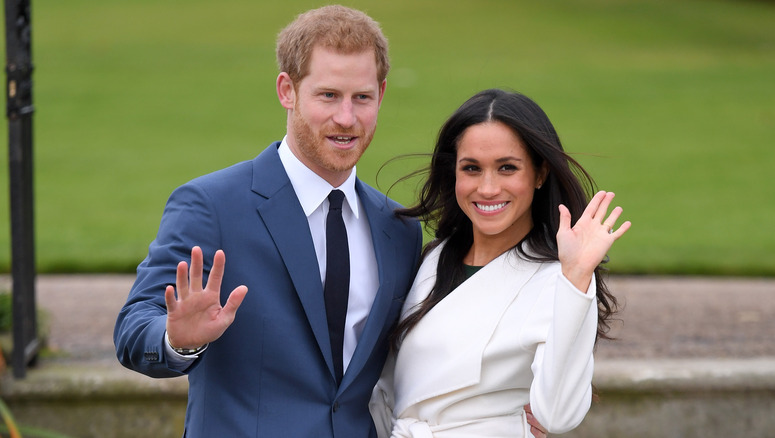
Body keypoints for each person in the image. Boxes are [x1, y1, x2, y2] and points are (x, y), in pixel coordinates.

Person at [113, 6, 424, 437]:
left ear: (382, 94)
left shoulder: (400, 228)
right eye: (328, 95)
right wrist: (176, 339)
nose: (347, 119)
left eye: (362, 98)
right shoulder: (210, 205)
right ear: (287, 90)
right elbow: (132, 330)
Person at [370, 89, 631, 437]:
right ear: (454, 174)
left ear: (539, 174)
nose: (488, 188)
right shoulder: (432, 259)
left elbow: (558, 416)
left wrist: (577, 277)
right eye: (472, 168)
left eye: (507, 168)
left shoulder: (561, 280)